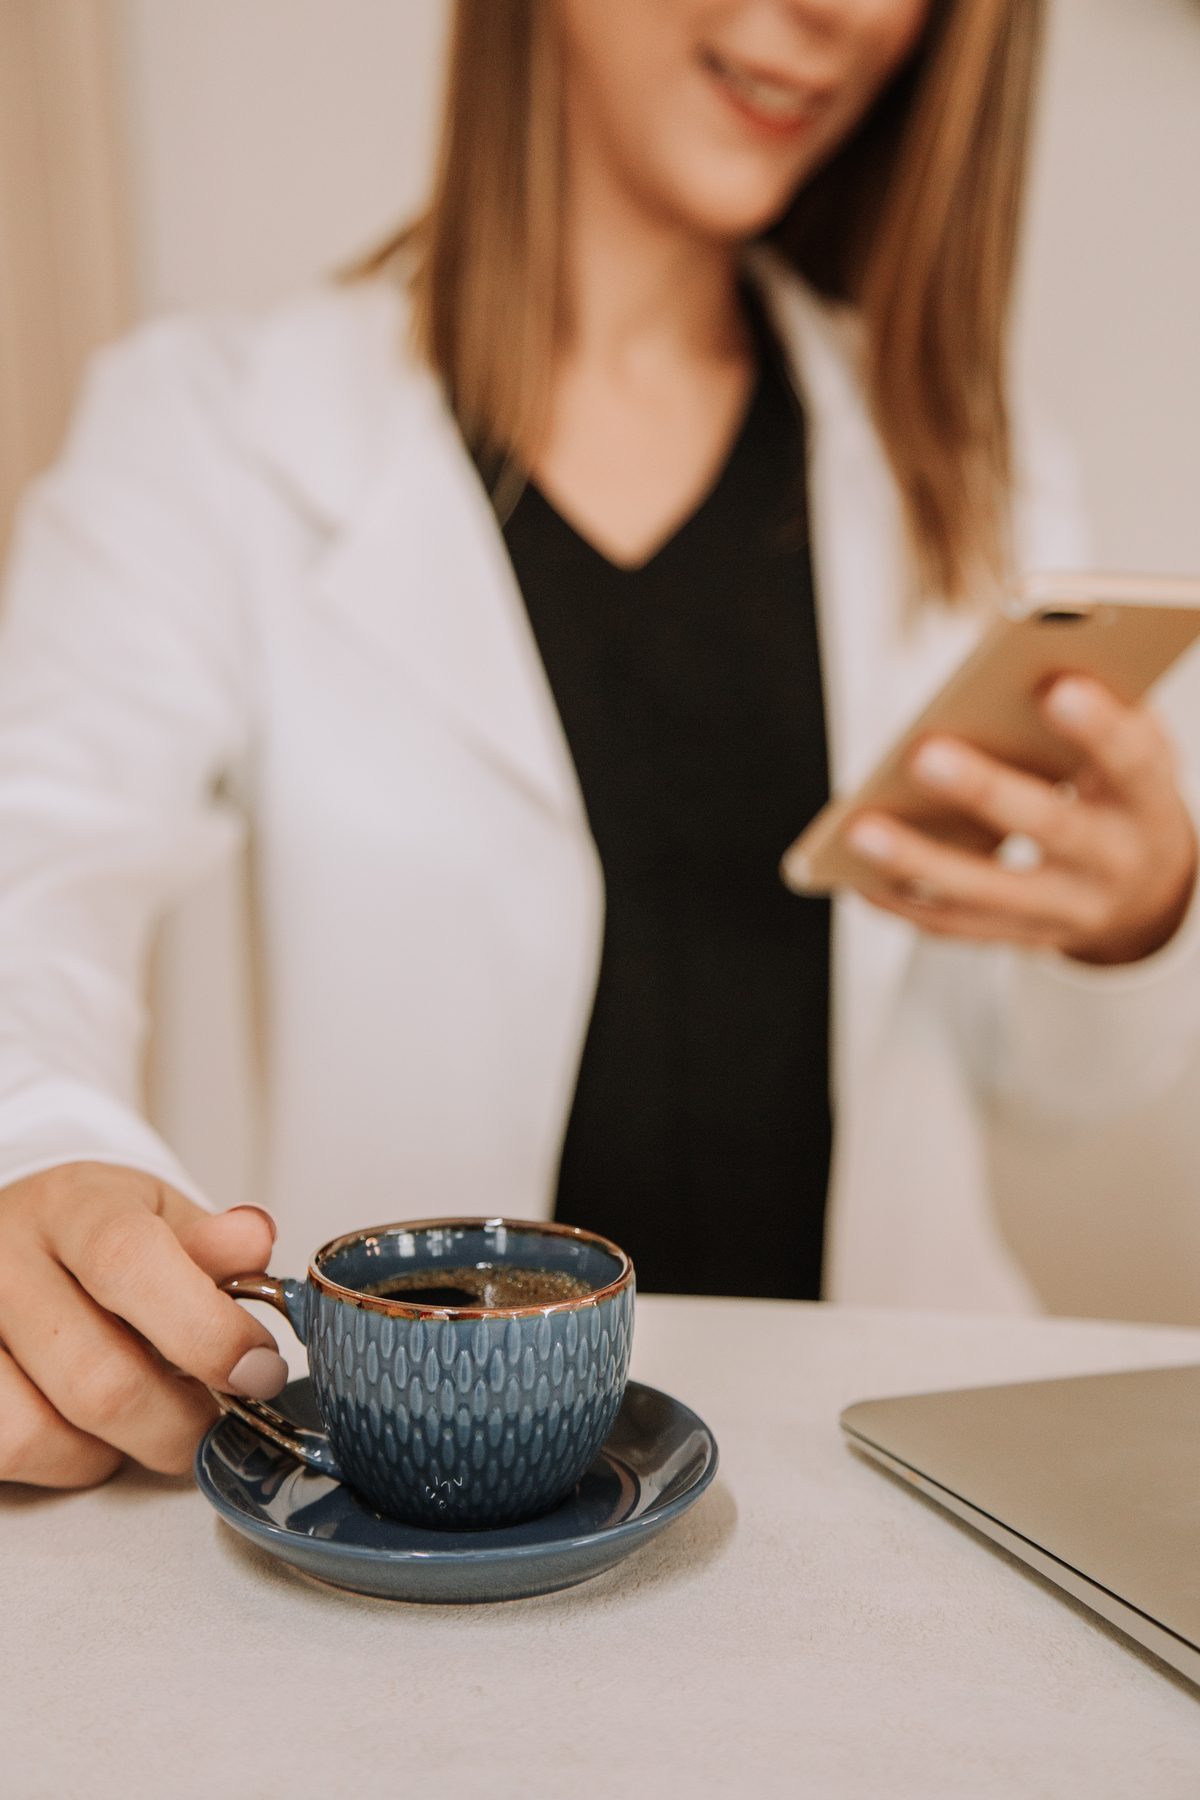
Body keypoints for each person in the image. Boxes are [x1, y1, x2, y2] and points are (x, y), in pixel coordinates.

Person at [0, 0, 1197, 1491]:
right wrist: (37, 1141)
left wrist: (1134, 921)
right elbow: (33, 867)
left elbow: (1051, 1089)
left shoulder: (970, 462)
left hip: (877, 1486)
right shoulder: (210, 429)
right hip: (432, 1511)